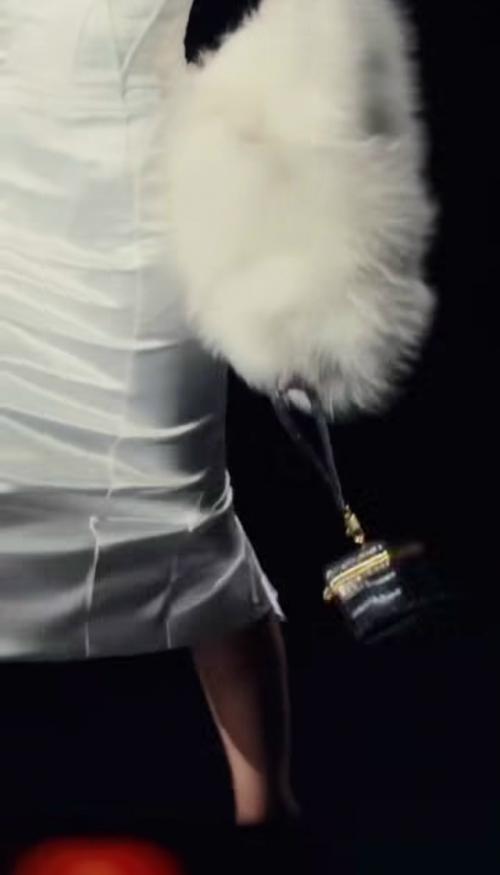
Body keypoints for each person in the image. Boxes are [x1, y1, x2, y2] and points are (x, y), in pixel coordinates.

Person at [0, 0, 435, 828]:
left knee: (183, 512)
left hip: (143, 218)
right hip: (10, 214)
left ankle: (266, 818)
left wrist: (307, 250)